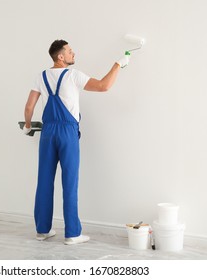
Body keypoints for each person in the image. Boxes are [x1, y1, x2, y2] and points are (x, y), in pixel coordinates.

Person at [23, 39, 130, 245]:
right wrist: (118, 64)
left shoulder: (41, 77)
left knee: (44, 180)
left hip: (47, 133)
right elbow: (103, 86)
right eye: (70, 51)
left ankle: (42, 230)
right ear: (60, 56)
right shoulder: (73, 75)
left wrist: (28, 126)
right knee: (69, 182)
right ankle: (72, 233)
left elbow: (29, 107)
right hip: (67, 133)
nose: (74, 54)